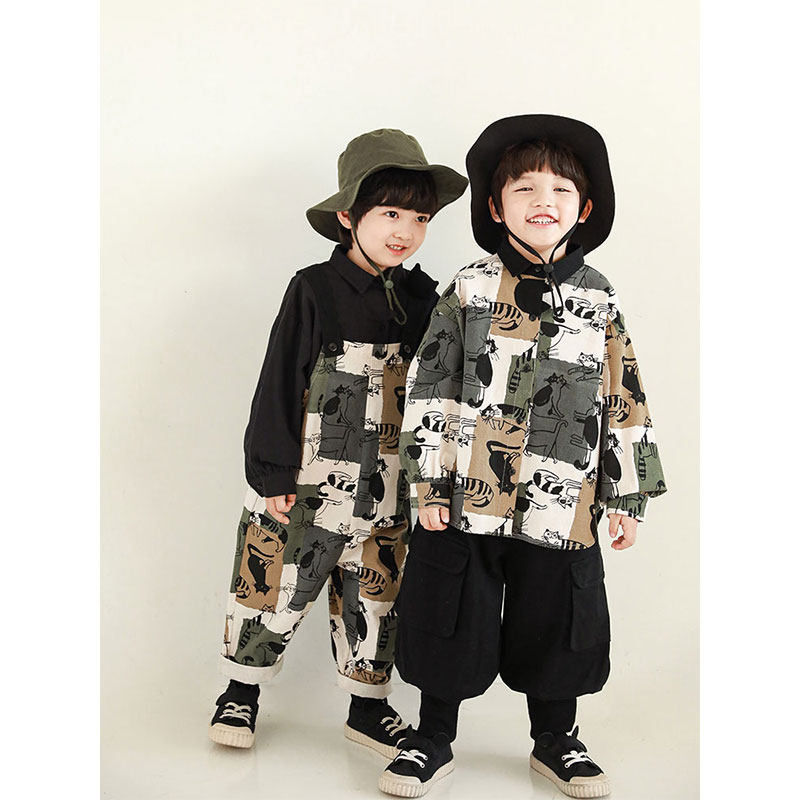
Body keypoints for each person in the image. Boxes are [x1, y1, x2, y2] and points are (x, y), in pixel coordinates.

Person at [380, 115, 667, 798]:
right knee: (450, 610)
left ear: (584, 207)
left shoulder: (598, 296)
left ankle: (556, 740)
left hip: (564, 500)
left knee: (558, 618)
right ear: (495, 205)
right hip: (466, 495)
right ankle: (431, 736)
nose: (544, 201)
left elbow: (622, 393)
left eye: (562, 189)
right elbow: (429, 385)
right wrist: (430, 483)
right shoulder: (469, 289)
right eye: (525, 188)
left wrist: (627, 496)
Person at [208, 129, 467, 756]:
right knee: (272, 586)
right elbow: (278, 380)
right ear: (349, 216)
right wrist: (272, 473)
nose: (405, 231)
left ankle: (367, 707)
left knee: (376, 595)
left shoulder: (424, 299)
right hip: (306, 485)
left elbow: (438, 393)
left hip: (389, 489)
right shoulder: (314, 289)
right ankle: (240, 692)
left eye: (420, 218)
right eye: (390, 214)